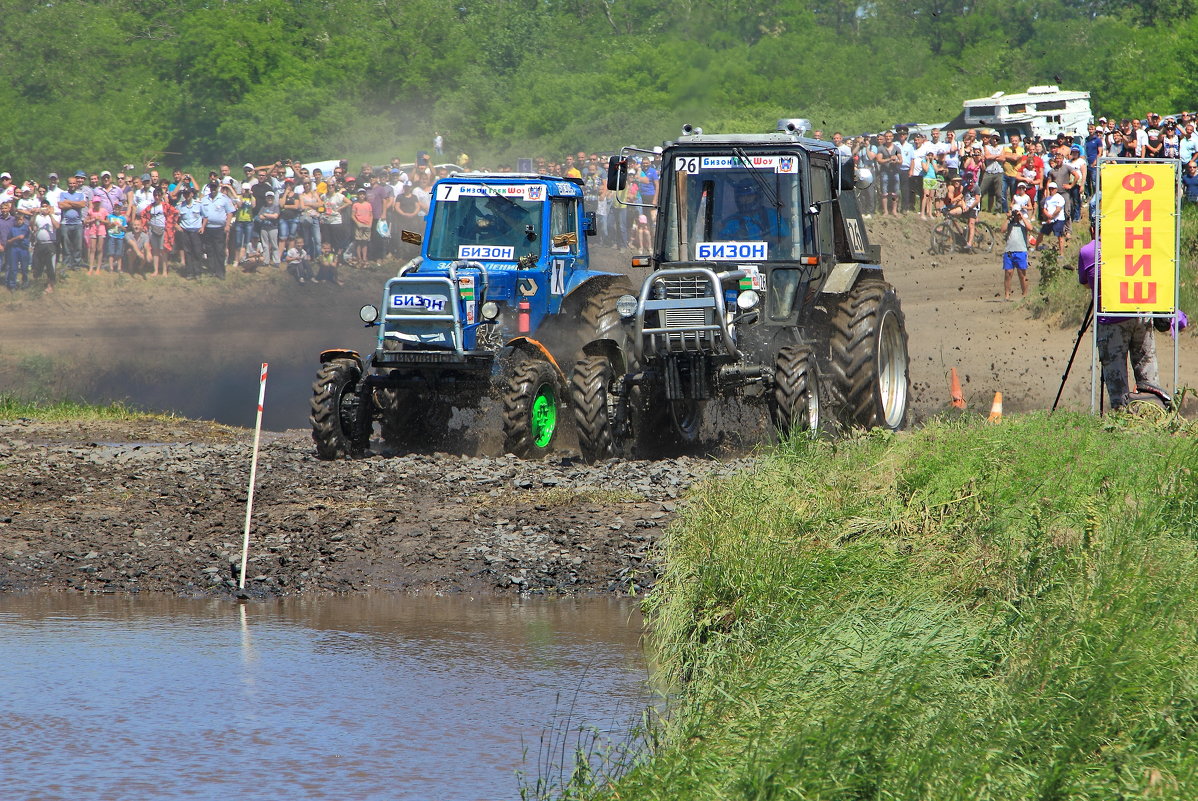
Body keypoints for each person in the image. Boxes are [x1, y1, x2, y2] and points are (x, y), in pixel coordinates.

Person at [1078, 228, 1167, 409]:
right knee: (1147, 372)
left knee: (1117, 379)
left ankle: (1121, 416)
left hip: (1111, 319)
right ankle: (1153, 412)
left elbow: (1087, 283)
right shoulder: (1138, 245)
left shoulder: (1089, 251)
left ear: (1094, 229)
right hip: (1141, 313)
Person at [717, 181, 790, 244]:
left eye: (749, 195)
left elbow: (788, 242)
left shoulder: (771, 215)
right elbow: (721, 243)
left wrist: (770, 239)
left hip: (771, 259)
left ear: (758, 196)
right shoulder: (732, 221)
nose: (746, 199)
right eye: (742, 196)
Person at [999, 199, 1031, 300]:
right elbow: (1002, 230)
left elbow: (1030, 228)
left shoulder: (1024, 222)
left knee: (1022, 274)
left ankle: (1025, 294)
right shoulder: (1009, 223)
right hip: (1009, 251)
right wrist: (1009, 218)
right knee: (1008, 273)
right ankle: (1007, 295)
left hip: (1021, 251)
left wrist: (1022, 217)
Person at [1039, 182, 1067, 256]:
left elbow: (1058, 209)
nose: (1051, 190)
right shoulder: (1048, 198)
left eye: (1053, 189)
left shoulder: (1060, 198)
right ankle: (1036, 247)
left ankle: (1061, 253)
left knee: (1060, 236)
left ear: (1056, 189)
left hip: (1058, 219)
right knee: (1041, 232)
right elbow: (1044, 208)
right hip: (1049, 219)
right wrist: (1048, 216)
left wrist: (1052, 216)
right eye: (1050, 189)